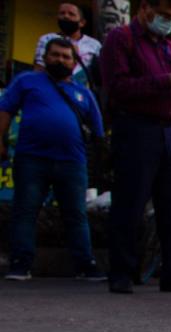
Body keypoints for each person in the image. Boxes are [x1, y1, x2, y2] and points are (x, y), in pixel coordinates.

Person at [101, 0, 171, 294]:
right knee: (130, 204)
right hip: (135, 128)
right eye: (165, 15)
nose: (170, 21)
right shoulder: (121, 39)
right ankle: (121, 272)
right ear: (145, 8)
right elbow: (118, 87)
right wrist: (164, 81)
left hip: (169, 131)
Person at [0, 38, 105, 282]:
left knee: (76, 214)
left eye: (66, 56)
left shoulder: (84, 93)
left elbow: (98, 132)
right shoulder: (27, 81)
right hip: (31, 159)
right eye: (55, 55)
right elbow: (5, 111)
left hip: (72, 162)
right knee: (25, 210)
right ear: (45, 58)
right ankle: (20, 264)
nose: (60, 60)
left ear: (74, 62)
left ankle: (85, 265)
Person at [34, 3, 102, 88]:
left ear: (82, 22)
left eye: (71, 14)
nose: (66, 16)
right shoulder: (46, 39)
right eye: (62, 13)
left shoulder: (95, 45)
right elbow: (39, 69)